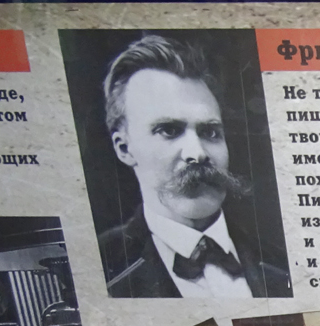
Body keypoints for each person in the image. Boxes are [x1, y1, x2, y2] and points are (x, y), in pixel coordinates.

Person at [96, 34, 289, 299]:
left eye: (210, 133)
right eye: (169, 130)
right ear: (124, 148)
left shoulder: (281, 261)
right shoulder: (100, 268)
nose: (197, 153)